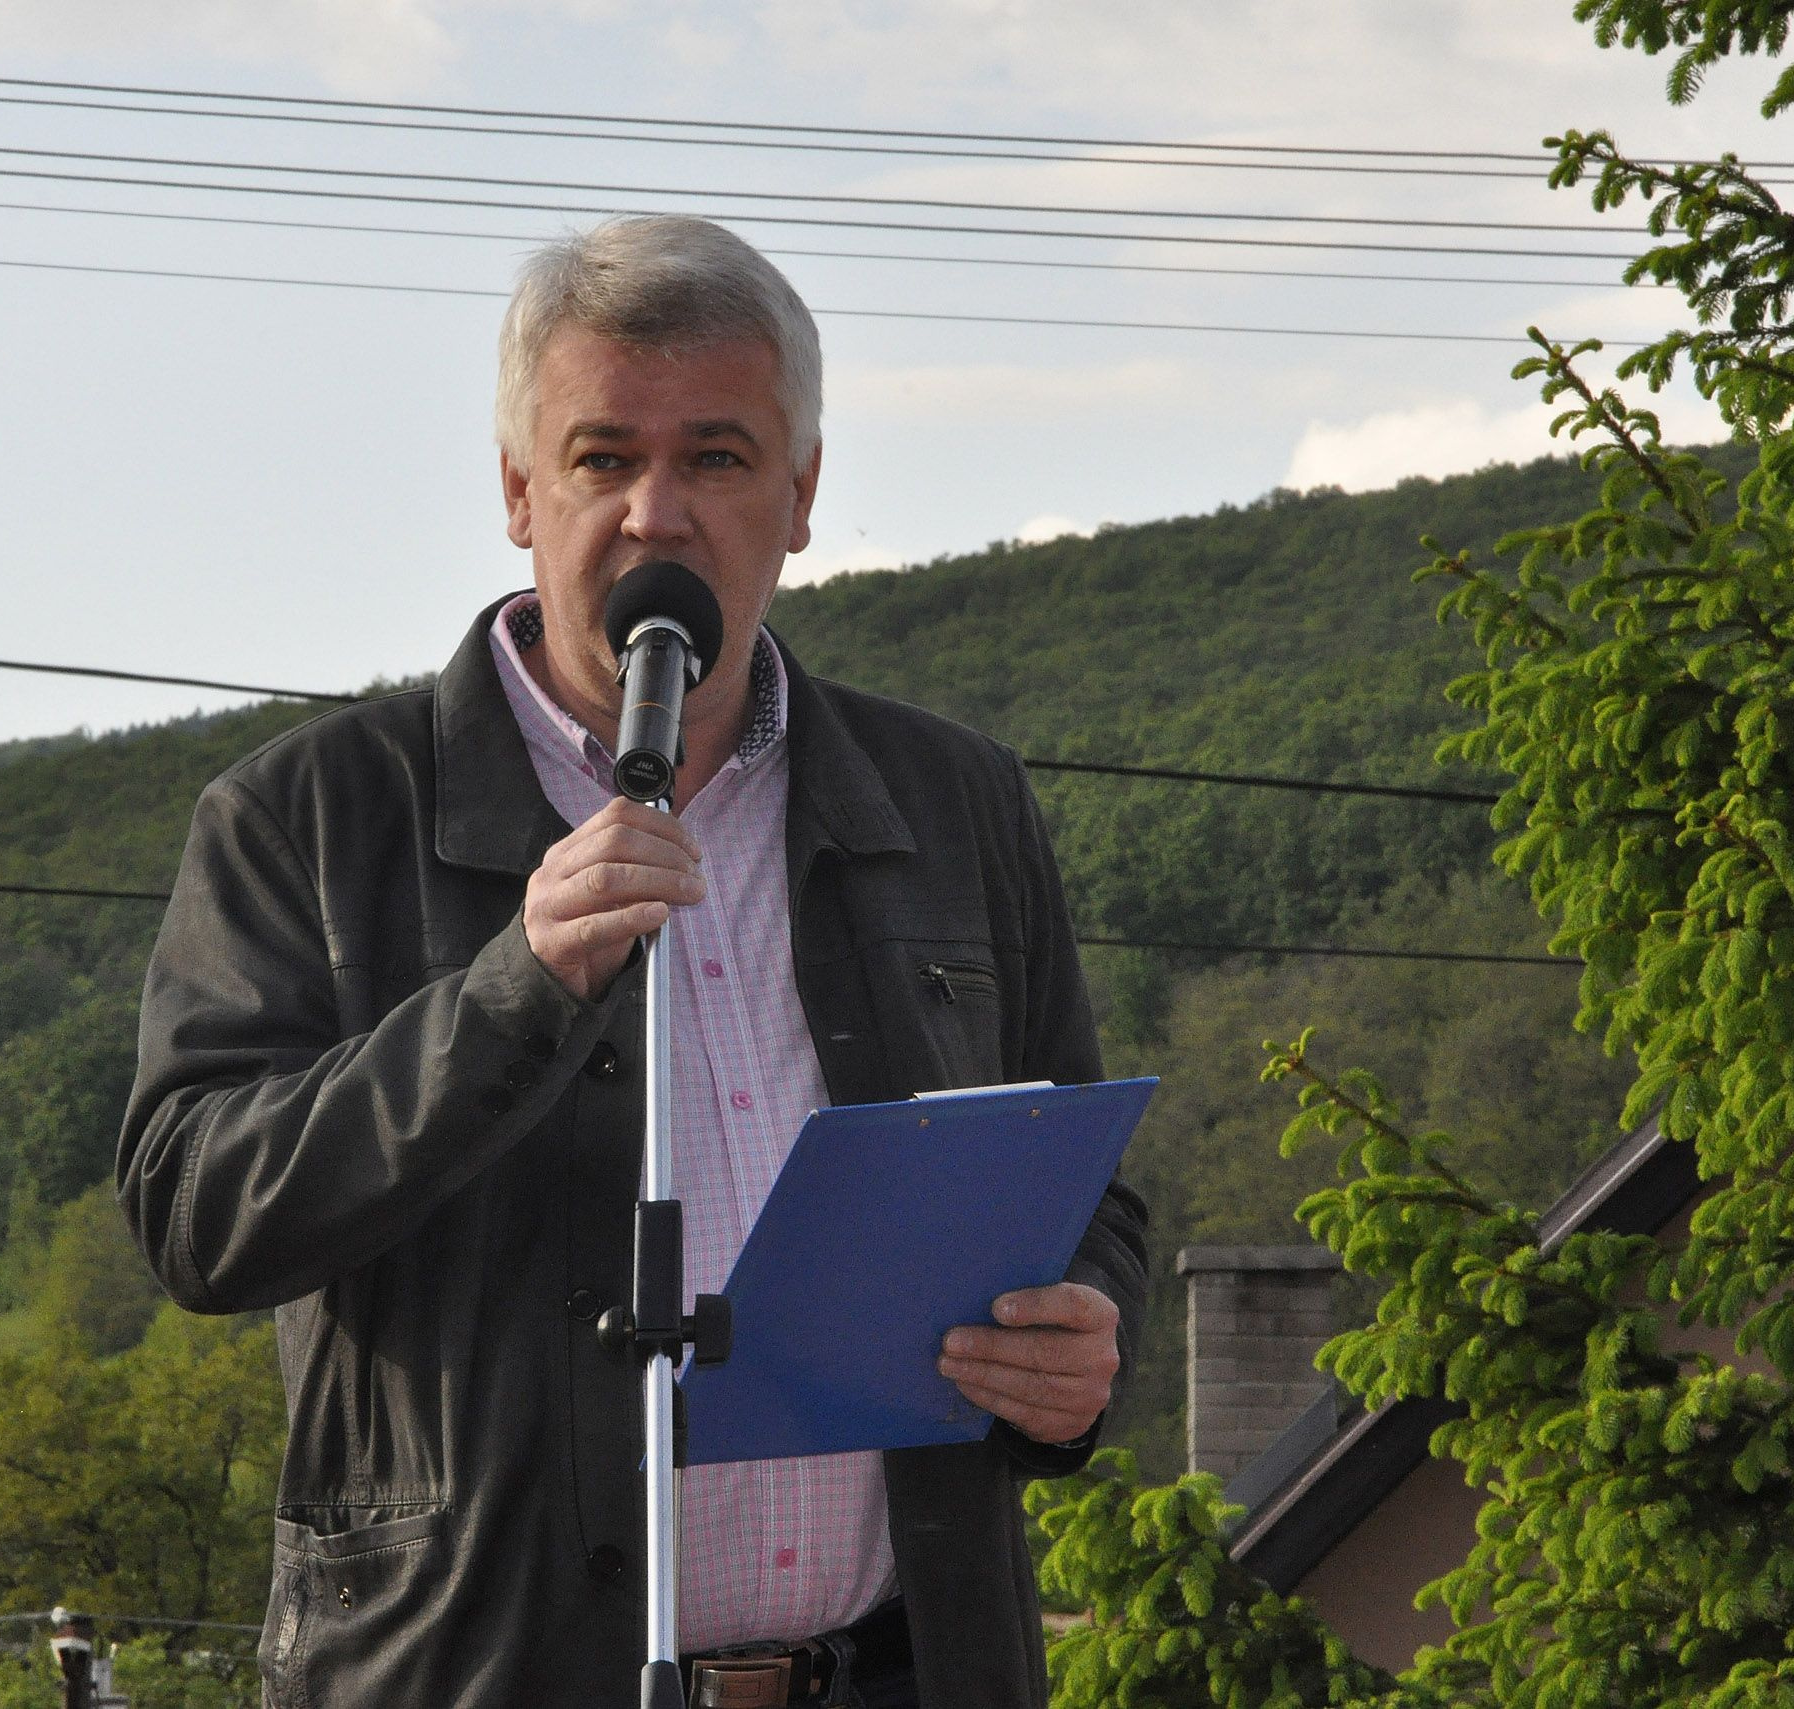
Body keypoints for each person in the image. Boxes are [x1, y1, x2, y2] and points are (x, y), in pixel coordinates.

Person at [118, 214, 1148, 1708]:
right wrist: (509, 994)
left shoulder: (950, 803)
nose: (657, 515)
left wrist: (1076, 1341)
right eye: (603, 458)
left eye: (717, 457)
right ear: (517, 490)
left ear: (801, 496)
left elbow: (1083, 1184)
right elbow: (195, 1213)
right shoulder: (311, 816)